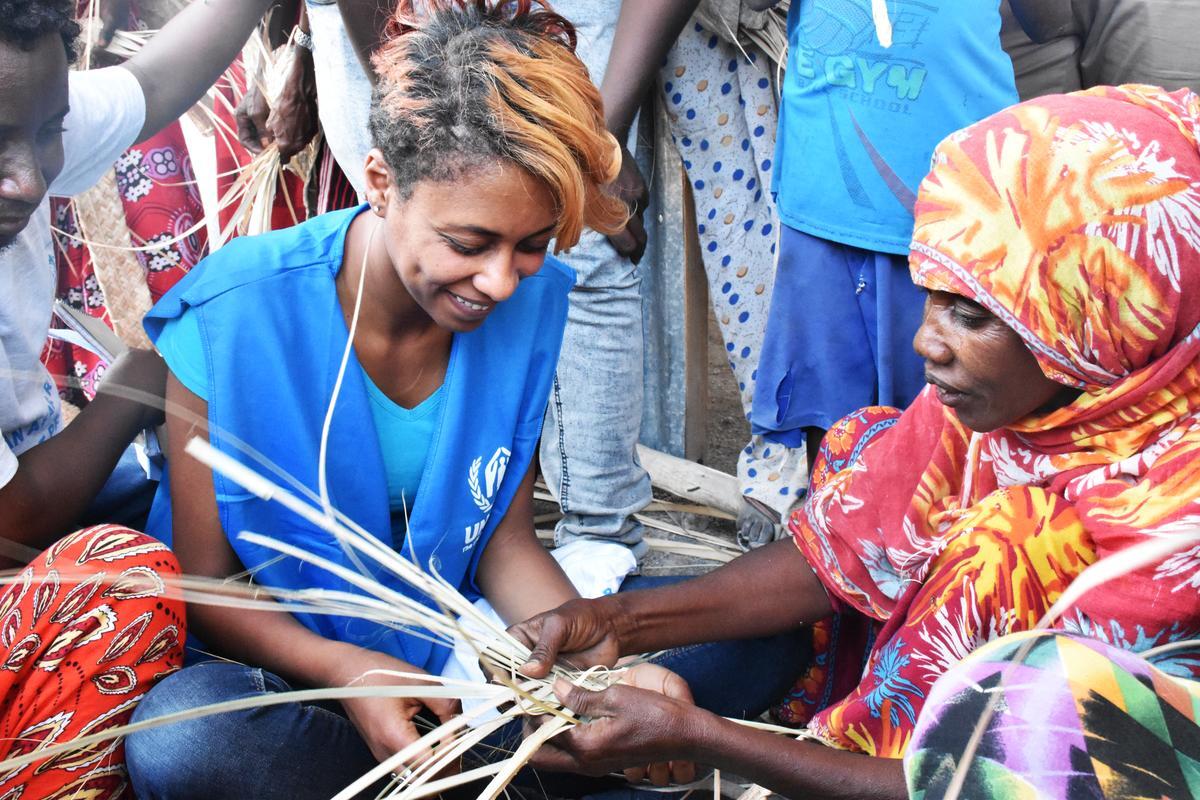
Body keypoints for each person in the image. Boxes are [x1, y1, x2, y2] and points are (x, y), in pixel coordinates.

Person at [120, 4, 800, 797]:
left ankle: (482, 768)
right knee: (189, 742)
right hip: (294, 677)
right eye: (470, 245)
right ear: (381, 182)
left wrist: (591, 671)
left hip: (452, 658)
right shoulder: (236, 313)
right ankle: (511, 772)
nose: (502, 281)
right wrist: (350, 671)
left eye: (534, 245)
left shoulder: (531, 299)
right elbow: (205, 591)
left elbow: (504, 544)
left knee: (766, 637)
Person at [510, 84, 1200, 797]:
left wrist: (708, 741)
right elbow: (834, 554)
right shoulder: (1037, 397)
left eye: (972, 315)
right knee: (872, 448)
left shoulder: (1175, 526)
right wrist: (615, 621)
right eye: (933, 295)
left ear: (1097, 319)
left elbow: (988, 788)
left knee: (1015, 540)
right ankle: (855, 722)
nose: (926, 339)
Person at [0, 0, 285, 793]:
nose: (28, 176)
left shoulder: (19, 94)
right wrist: (134, 387)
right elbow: (12, 519)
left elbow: (155, 83)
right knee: (126, 582)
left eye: (49, 130)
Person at [746, 0, 1021, 475]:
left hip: (960, 204)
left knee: (951, 417)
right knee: (834, 426)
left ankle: (942, 542)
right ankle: (837, 536)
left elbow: (1050, 21)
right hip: (829, 194)